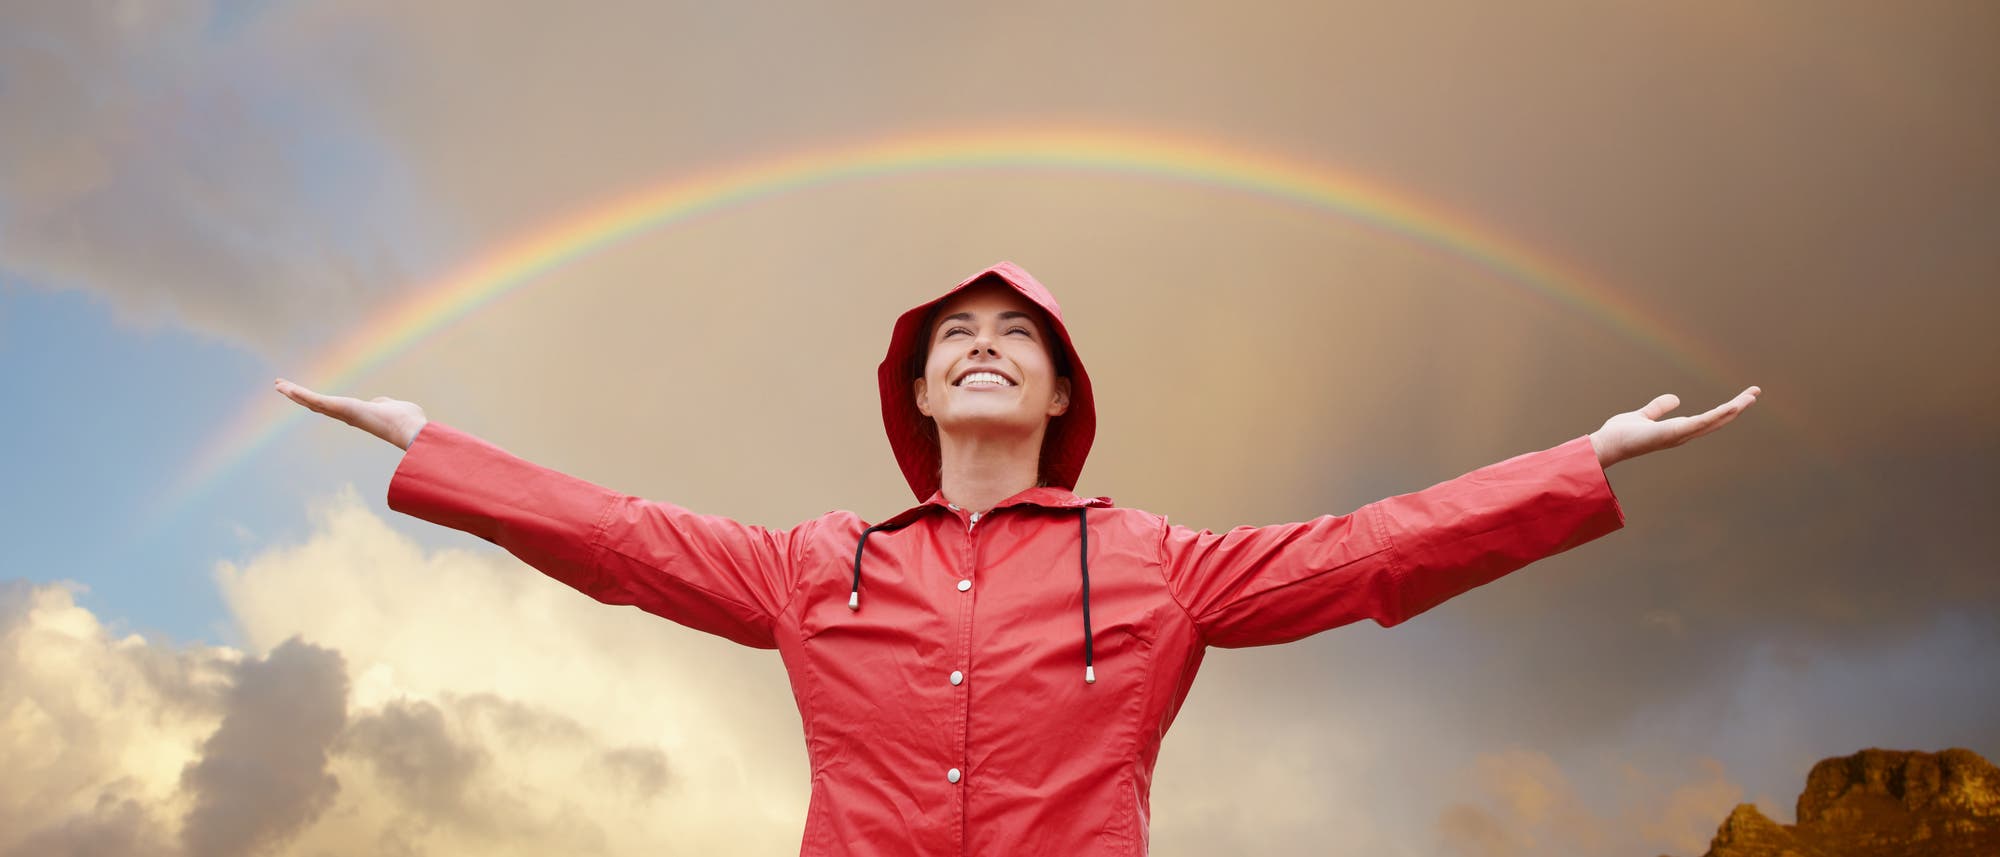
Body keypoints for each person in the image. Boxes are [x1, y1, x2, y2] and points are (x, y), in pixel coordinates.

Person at [275, 261, 1759, 856]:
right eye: (953, 344)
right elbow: (618, 538)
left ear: (1060, 394)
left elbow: (1370, 549)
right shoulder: (815, 561)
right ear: (917, 397)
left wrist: (1581, 459)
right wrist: (432, 440)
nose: (983, 352)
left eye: (1017, 340)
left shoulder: (1161, 560)